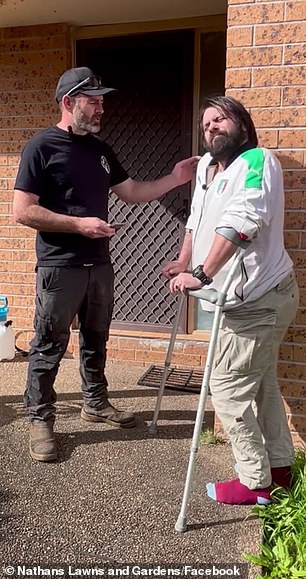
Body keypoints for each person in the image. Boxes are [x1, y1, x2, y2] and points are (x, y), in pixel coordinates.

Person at [13, 66, 199, 463]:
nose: (101, 109)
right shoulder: (40, 147)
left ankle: (95, 403)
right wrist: (79, 224)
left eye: (102, 101)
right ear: (68, 102)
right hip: (59, 266)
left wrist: (174, 178)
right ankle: (40, 419)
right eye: (93, 101)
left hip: (99, 264)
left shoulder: (100, 150)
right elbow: (22, 211)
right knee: (49, 344)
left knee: (96, 340)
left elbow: (132, 192)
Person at [163, 96, 299, 505]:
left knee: (226, 387)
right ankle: (278, 469)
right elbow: (196, 219)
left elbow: (245, 222)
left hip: (260, 299)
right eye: (206, 123)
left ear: (242, 124)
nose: (212, 126)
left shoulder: (257, 161)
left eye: (221, 119)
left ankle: (254, 482)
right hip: (238, 299)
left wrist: (201, 273)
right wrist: (184, 260)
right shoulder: (206, 168)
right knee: (261, 388)